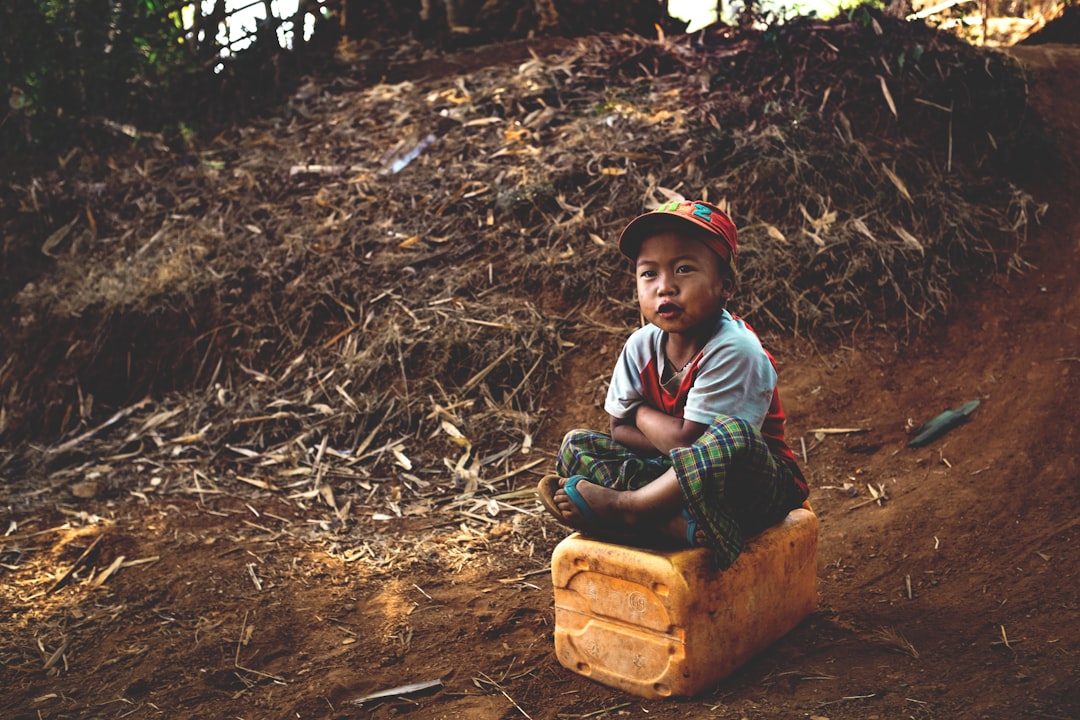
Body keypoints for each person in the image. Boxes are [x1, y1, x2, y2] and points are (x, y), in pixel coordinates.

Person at [537, 200, 808, 569]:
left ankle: (629, 511)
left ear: (723, 284)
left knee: (732, 435)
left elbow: (691, 443)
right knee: (576, 446)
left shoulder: (735, 349)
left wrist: (642, 412)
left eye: (683, 269)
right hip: (672, 480)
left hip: (746, 488)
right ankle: (671, 524)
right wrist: (666, 437)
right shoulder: (640, 346)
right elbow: (618, 430)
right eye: (649, 274)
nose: (665, 288)